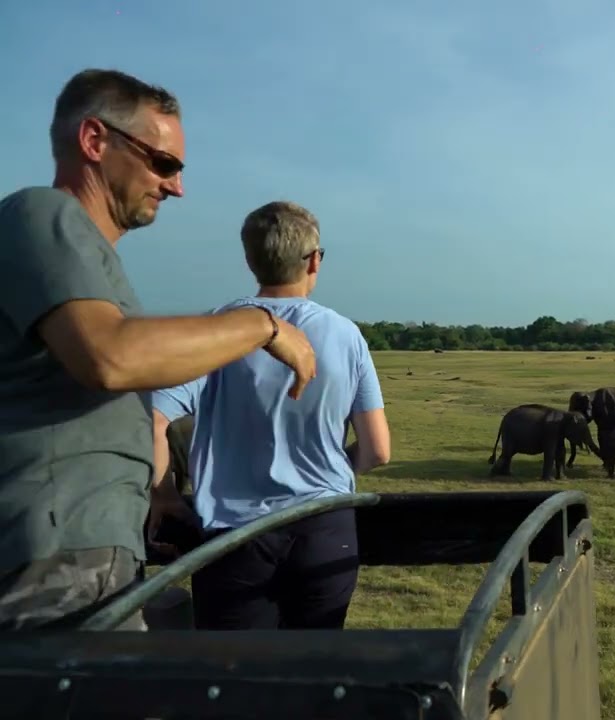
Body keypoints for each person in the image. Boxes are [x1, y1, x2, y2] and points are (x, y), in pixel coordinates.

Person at [0, 68, 317, 632]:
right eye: (163, 163)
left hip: (88, 551)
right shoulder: (40, 215)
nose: (176, 186)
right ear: (95, 142)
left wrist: (154, 492)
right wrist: (262, 326)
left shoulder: (90, 258)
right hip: (55, 560)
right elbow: (109, 355)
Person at [150, 200, 391, 630]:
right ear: (314, 260)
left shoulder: (218, 330)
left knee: (235, 676)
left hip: (233, 538)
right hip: (325, 529)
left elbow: (153, 420)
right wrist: (332, 469)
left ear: (250, 260)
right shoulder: (346, 335)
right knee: (316, 671)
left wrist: (164, 494)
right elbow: (377, 451)